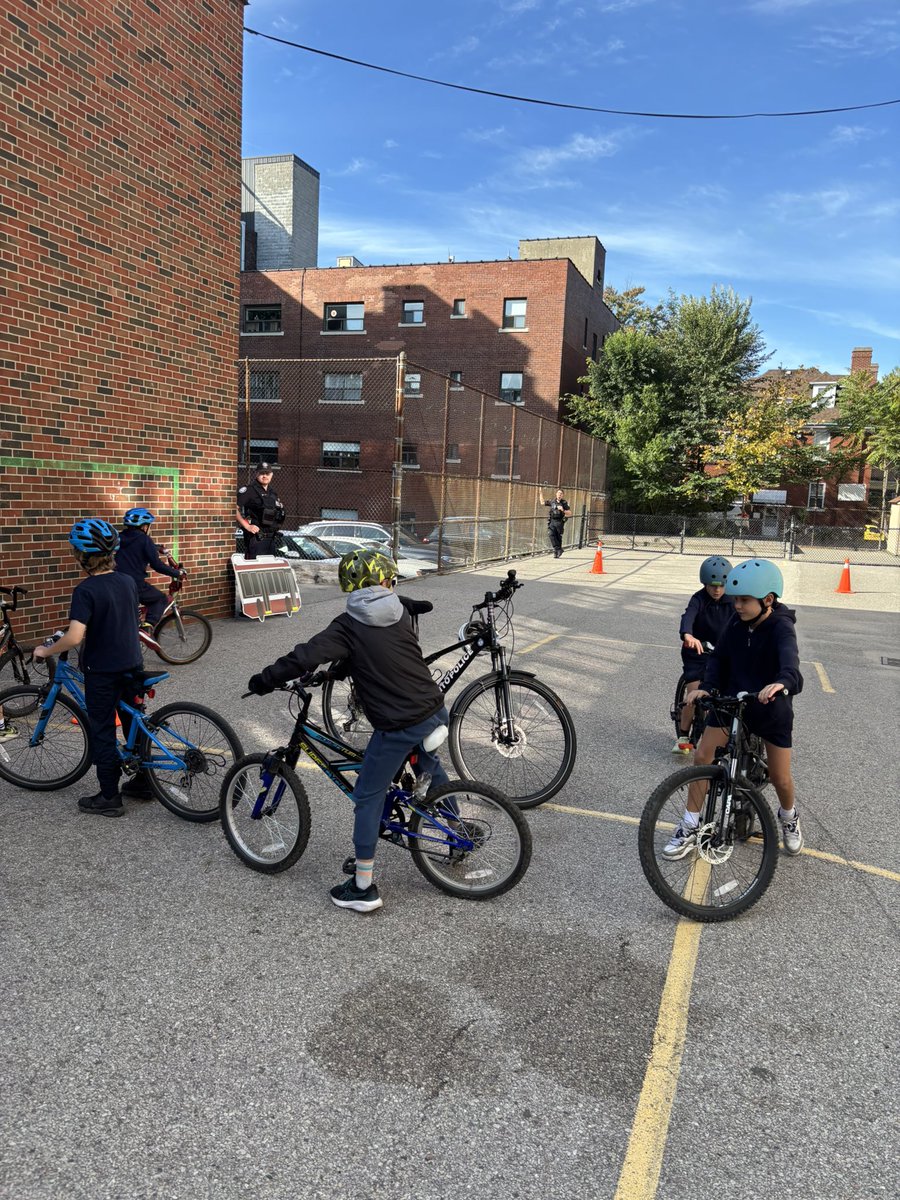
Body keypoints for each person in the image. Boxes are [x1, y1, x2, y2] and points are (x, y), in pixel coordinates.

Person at [247, 548, 451, 914]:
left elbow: (304, 657)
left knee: (367, 796)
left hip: (398, 724)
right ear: (385, 581)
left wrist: (264, 680)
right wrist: (339, 671)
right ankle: (458, 830)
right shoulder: (399, 611)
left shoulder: (348, 625)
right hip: (433, 710)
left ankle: (363, 887)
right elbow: (377, 651)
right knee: (429, 768)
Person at [665, 559, 804, 860]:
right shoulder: (735, 623)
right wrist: (707, 687)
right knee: (702, 756)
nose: (736, 605)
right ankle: (690, 824)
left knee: (780, 777)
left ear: (768, 600)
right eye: (735, 599)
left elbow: (790, 664)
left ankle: (789, 817)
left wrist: (781, 683)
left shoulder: (781, 627)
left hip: (769, 704)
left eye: (743, 600)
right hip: (732, 701)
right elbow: (718, 660)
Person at [33, 519, 143, 817]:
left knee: (103, 730)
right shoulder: (127, 581)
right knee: (134, 721)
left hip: (103, 671)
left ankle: (109, 797)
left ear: (81, 556)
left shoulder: (86, 590)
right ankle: (144, 781)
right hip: (133, 663)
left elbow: (75, 636)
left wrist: (46, 649)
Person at [672, 556, 734, 753]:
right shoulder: (698, 599)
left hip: (722, 652)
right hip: (697, 651)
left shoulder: (733, 601)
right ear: (704, 583)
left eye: (721, 586)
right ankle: (683, 734)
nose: (716, 590)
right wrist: (688, 635)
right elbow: (688, 616)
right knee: (694, 693)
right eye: (712, 585)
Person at [115, 507, 181, 628]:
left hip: (115, 581)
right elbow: (156, 565)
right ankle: (147, 628)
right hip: (135, 584)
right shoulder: (145, 540)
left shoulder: (120, 537)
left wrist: (157, 547)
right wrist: (177, 573)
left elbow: (134, 546)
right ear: (144, 526)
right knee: (160, 599)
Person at [236, 461, 285, 560]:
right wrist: (247, 526)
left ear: (271, 475)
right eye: (262, 473)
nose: (265, 476)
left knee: (268, 571)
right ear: (256, 474)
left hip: (271, 539)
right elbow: (233, 508)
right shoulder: (249, 490)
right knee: (253, 570)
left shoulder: (273, 493)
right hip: (256, 538)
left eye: (267, 473)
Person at [539, 485, 571, 558]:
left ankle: (558, 551)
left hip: (559, 522)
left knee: (558, 537)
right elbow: (542, 502)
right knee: (551, 534)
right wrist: (540, 493)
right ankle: (557, 549)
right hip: (552, 521)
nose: (559, 495)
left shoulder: (564, 503)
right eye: (558, 493)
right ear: (556, 494)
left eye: (561, 494)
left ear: (562, 495)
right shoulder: (552, 501)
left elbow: (569, 513)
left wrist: (563, 510)